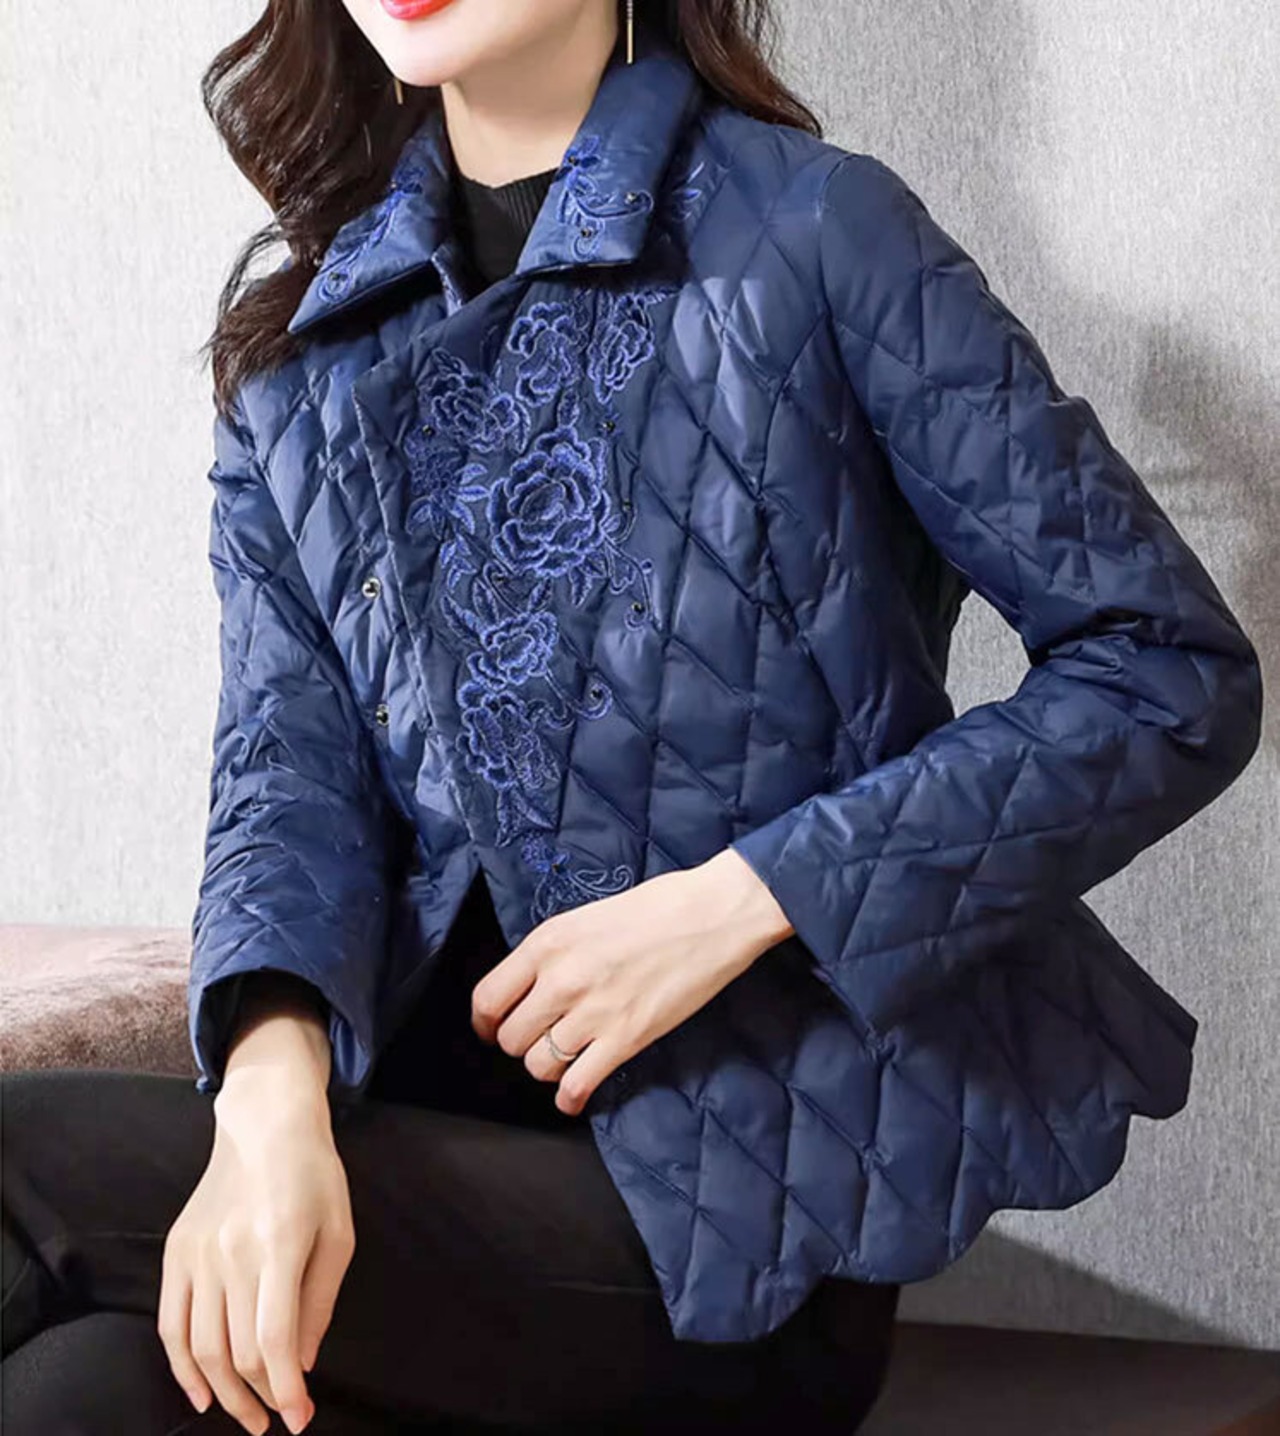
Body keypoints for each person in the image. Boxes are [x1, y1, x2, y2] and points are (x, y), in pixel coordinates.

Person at [2, 0, 1263, 1432]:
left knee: (20, 1162)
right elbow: (285, 790)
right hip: (400, 1167)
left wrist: (742, 900)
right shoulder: (301, 349)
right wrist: (265, 1105)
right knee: (77, 1395)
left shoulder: (816, 235)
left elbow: (1164, 667)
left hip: (732, 1222)